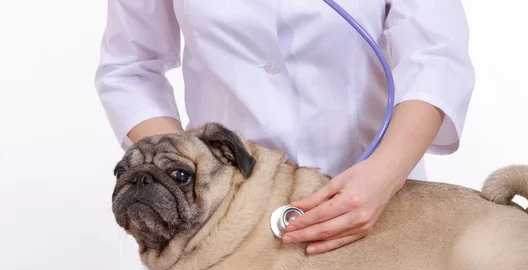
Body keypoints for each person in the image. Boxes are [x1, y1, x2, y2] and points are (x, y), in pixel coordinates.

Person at [95, 1, 475, 255]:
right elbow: (130, 68)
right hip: (226, 225)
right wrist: (181, 177)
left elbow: (436, 58)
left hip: (377, 206)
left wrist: (384, 175)